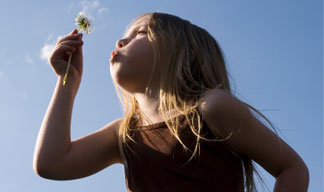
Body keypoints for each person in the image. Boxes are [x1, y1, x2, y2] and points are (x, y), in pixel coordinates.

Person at [33, 12, 309, 192]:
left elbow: (292, 168)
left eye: (140, 33)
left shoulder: (210, 108)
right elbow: (52, 164)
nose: (121, 39)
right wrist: (67, 81)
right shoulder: (125, 133)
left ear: (183, 52)